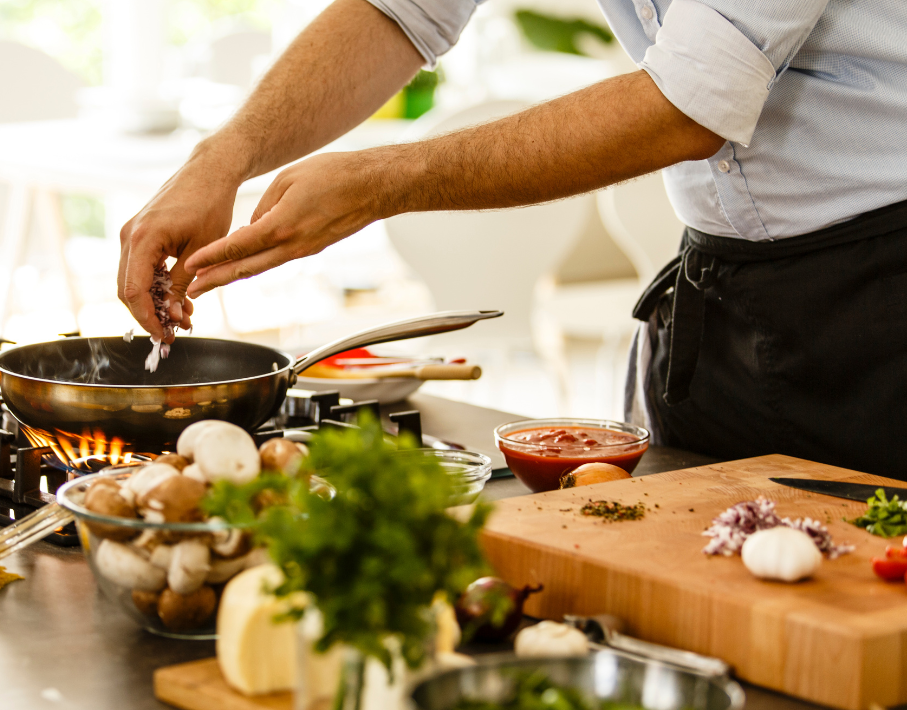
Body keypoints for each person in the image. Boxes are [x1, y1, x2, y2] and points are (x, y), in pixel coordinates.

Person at [118, 0, 907, 477]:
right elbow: (401, 10)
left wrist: (383, 183)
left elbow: (689, 105)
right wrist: (224, 155)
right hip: (723, 293)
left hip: (884, 296)